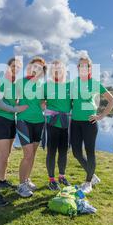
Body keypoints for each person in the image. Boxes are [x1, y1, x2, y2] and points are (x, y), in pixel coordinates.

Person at [70, 56, 113, 194]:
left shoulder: (95, 83)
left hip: (90, 122)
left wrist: (100, 116)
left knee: (90, 151)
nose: (83, 68)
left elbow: (112, 101)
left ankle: (88, 182)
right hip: (75, 122)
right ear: (77, 68)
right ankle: (92, 174)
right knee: (76, 152)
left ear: (90, 68)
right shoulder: (74, 83)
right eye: (80, 66)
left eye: (86, 66)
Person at [0, 58, 28, 207]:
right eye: (13, 66)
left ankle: (2, 181)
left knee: (8, 155)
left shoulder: (13, 85)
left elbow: (14, 102)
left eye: (18, 67)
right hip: (1, 121)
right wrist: (16, 109)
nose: (15, 68)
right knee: (1, 157)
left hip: (11, 122)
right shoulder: (0, 82)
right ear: (7, 67)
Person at [15, 57, 47, 198]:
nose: (37, 69)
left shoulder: (42, 84)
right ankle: (21, 185)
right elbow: (11, 98)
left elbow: (41, 104)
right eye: (35, 66)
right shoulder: (21, 82)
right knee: (27, 154)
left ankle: (27, 179)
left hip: (39, 121)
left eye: (40, 67)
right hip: (24, 121)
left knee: (33, 154)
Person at [43, 60, 72, 190]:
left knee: (63, 151)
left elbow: (74, 103)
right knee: (51, 151)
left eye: (59, 69)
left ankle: (62, 176)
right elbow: (40, 101)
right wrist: (49, 112)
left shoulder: (69, 86)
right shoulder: (46, 86)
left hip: (65, 123)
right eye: (54, 69)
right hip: (52, 123)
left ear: (63, 71)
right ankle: (51, 179)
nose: (57, 71)